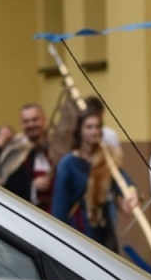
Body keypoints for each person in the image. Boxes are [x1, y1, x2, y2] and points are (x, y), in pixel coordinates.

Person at [51, 106, 135, 251]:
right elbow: (60, 206)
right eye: (89, 127)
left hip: (104, 228)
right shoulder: (68, 163)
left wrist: (131, 192)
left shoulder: (106, 158)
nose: (94, 131)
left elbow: (122, 180)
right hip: (79, 229)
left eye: (97, 127)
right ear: (80, 131)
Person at [0, 103, 54, 211]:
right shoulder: (14, 150)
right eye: (26, 121)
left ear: (44, 120)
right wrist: (32, 186)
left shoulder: (55, 147)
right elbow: (6, 186)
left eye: (35, 120)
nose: (31, 125)